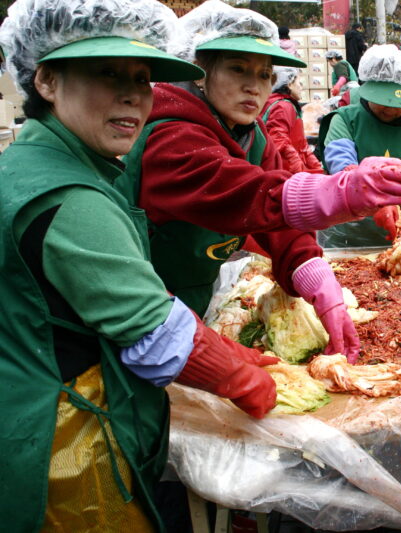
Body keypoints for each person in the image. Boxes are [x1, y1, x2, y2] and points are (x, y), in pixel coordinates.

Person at [0, 0, 292, 530]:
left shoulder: (53, 164)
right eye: (107, 73)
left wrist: (228, 347)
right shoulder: (66, 197)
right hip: (59, 442)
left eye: (143, 76)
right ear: (45, 80)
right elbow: (154, 329)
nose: (134, 95)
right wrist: (243, 379)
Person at [118, 1, 401, 361]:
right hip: (144, 308)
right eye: (238, 70)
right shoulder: (170, 133)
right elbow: (241, 191)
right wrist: (341, 191)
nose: (254, 87)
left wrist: (308, 267)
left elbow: (277, 220)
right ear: (199, 72)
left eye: (265, 73)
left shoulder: (253, 135)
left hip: (196, 297)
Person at [318, 44, 401, 246]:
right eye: (383, 100)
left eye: (398, 104)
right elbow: (342, 166)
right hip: (349, 233)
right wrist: (374, 199)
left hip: (396, 234)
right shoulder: (345, 119)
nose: (390, 110)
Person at [263, 67, 324, 173]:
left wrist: (316, 167)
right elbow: (278, 138)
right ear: (289, 84)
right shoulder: (283, 106)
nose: (301, 88)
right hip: (285, 171)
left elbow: (302, 145)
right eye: (299, 83)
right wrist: (296, 164)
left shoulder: (279, 103)